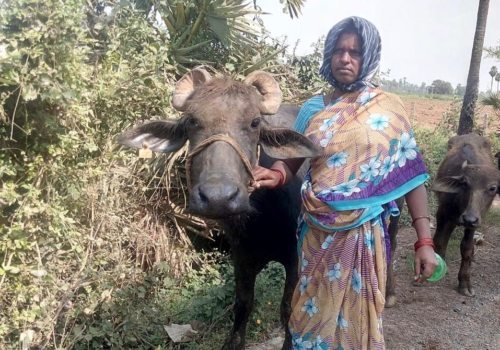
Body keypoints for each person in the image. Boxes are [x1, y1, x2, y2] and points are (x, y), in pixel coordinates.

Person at [252, 16, 437, 349]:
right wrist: (277, 173)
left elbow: (410, 176)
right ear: (329, 55)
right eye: (338, 50)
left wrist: (424, 240)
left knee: (357, 322)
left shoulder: (388, 110)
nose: (345, 58)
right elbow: (293, 160)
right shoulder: (313, 108)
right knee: (310, 317)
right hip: (317, 233)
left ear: (369, 57)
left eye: (355, 51)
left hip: (365, 234)